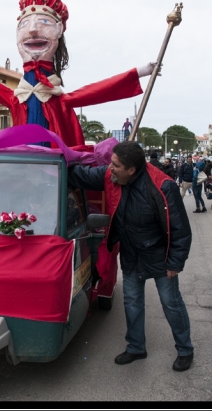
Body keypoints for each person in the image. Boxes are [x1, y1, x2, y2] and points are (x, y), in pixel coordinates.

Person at [0, 0, 160, 148]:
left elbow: (99, 90)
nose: (32, 31)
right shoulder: (16, 99)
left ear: (59, 30)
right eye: (25, 24)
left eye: (43, 22)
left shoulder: (59, 99)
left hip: (55, 167)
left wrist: (138, 72)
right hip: (20, 165)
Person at [67, 141, 194, 371]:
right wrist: (56, 164)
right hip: (131, 255)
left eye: (115, 165)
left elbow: (180, 229)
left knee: (171, 304)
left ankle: (185, 349)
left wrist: (175, 262)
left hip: (160, 256)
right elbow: (81, 176)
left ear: (132, 170)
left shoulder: (163, 187)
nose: (110, 168)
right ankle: (136, 347)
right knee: (132, 302)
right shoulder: (111, 176)